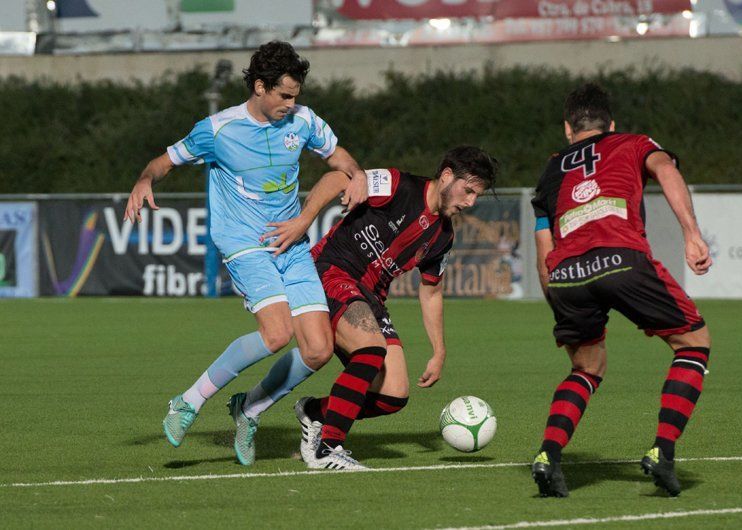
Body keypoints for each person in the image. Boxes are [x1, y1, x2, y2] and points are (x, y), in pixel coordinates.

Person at [123, 41, 368, 466]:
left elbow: (338, 157)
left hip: (291, 243)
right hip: (243, 242)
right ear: (259, 87)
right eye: (284, 96)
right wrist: (145, 181)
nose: (292, 105)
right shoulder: (217, 130)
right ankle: (188, 401)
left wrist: (357, 172)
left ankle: (249, 409)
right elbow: (164, 162)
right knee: (276, 334)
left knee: (317, 350)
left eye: (296, 96)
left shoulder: (304, 120)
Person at [233, 146, 499, 470]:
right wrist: (304, 221)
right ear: (446, 176)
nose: (470, 202)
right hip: (331, 270)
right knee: (371, 350)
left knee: (393, 395)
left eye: (477, 196)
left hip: (371, 297)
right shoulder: (398, 185)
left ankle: (315, 414)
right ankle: (327, 448)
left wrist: (439, 350)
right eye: (468, 190)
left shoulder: (443, 236)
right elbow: (337, 178)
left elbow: (431, 291)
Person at [529, 83, 712, 497]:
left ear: (567, 128)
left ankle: (548, 455)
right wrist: (692, 234)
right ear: (610, 124)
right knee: (694, 343)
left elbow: (544, 249)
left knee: (586, 368)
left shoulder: (551, 169)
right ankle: (662, 451)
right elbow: (667, 169)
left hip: (566, 275)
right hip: (621, 259)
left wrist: (557, 301)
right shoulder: (633, 142)